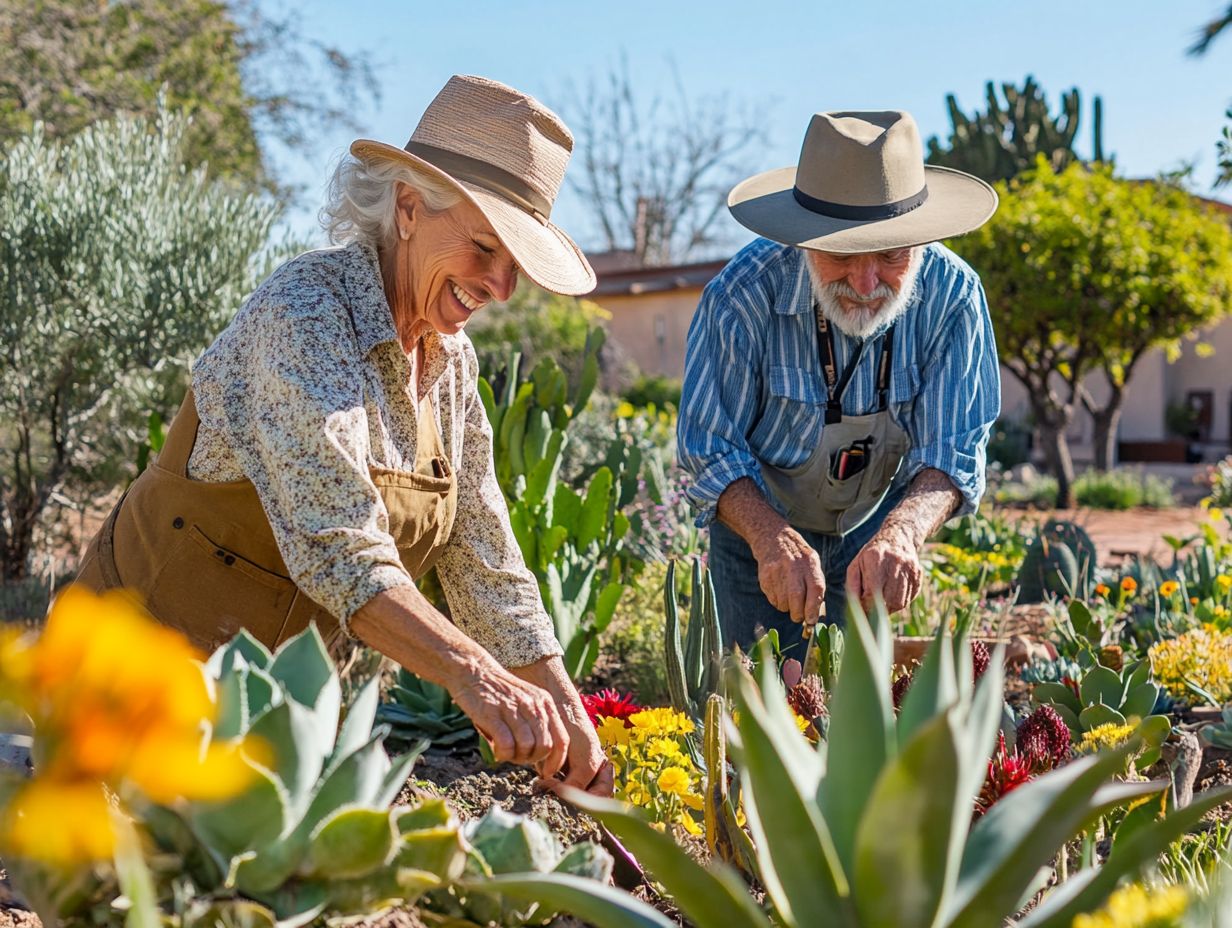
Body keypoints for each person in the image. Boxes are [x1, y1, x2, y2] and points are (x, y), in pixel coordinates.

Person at [76, 74, 611, 795]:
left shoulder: (449, 364)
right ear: (409, 207)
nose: (500, 286)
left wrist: (568, 714)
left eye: (516, 264)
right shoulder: (305, 315)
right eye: (486, 247)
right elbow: (339, 547)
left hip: (269, 728)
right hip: (124, 695)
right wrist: (476, 677)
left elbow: (485, 558)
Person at [677, 109, 1001, 653]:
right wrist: (770, 537)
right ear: (804, 240)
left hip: (875, 526)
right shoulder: (741, 296)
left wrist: (904, 532)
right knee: (752, 707)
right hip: (757, 529)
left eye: (892, 253)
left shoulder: (955, 298)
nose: (867, 282)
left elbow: (954, 448)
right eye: (844, 253)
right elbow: (708, 447)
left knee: (855, 713)